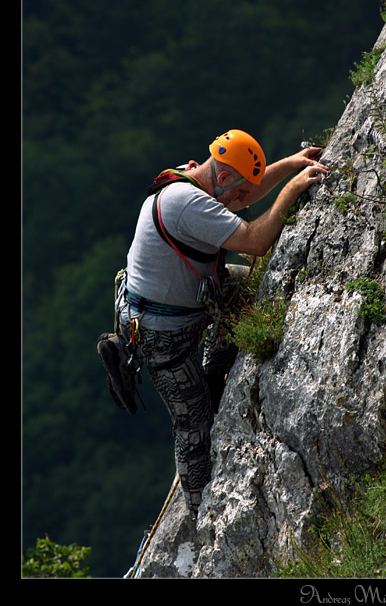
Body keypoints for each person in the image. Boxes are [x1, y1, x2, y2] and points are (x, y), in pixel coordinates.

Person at [102, 129, 329, 516]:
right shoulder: (186, 204)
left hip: (171, 305)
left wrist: (291, 163)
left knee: (240, 286)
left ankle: (212, 375)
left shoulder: (192, 179)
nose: (242, 203)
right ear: (223, 178)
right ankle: (197, 510)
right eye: (239, 192)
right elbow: (257, 241)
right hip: (162, 337)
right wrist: (290, 191)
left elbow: (244, 195)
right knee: (195, 425)